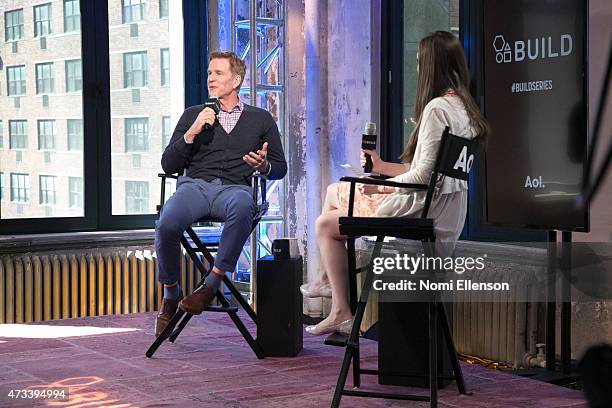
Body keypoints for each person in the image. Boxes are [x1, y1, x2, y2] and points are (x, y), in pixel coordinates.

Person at [302, 31, 490, 336]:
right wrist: (381, 168)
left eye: (419, 62)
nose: (416, 69)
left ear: (430, 66)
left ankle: (335, 300)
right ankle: (330, 290)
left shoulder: (437, 109)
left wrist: (381, 186)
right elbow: (429, 170)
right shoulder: (466, 110)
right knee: (332, 211)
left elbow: (421, 178)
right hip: (447, 213)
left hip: (421, 216)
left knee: (329, 212)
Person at [155, 51, 287, 337]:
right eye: (209, 73)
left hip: (235, 188)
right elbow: (168, 164)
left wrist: (263, 166)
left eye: (218, 73)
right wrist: (191, 133)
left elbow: (280, 168)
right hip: (196, 187)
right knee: (166, 222)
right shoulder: (193, 114)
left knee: (243, 207)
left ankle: (210, 285)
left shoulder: (260, 119)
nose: (210, 79)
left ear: (236, 80)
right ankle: (171, 293)